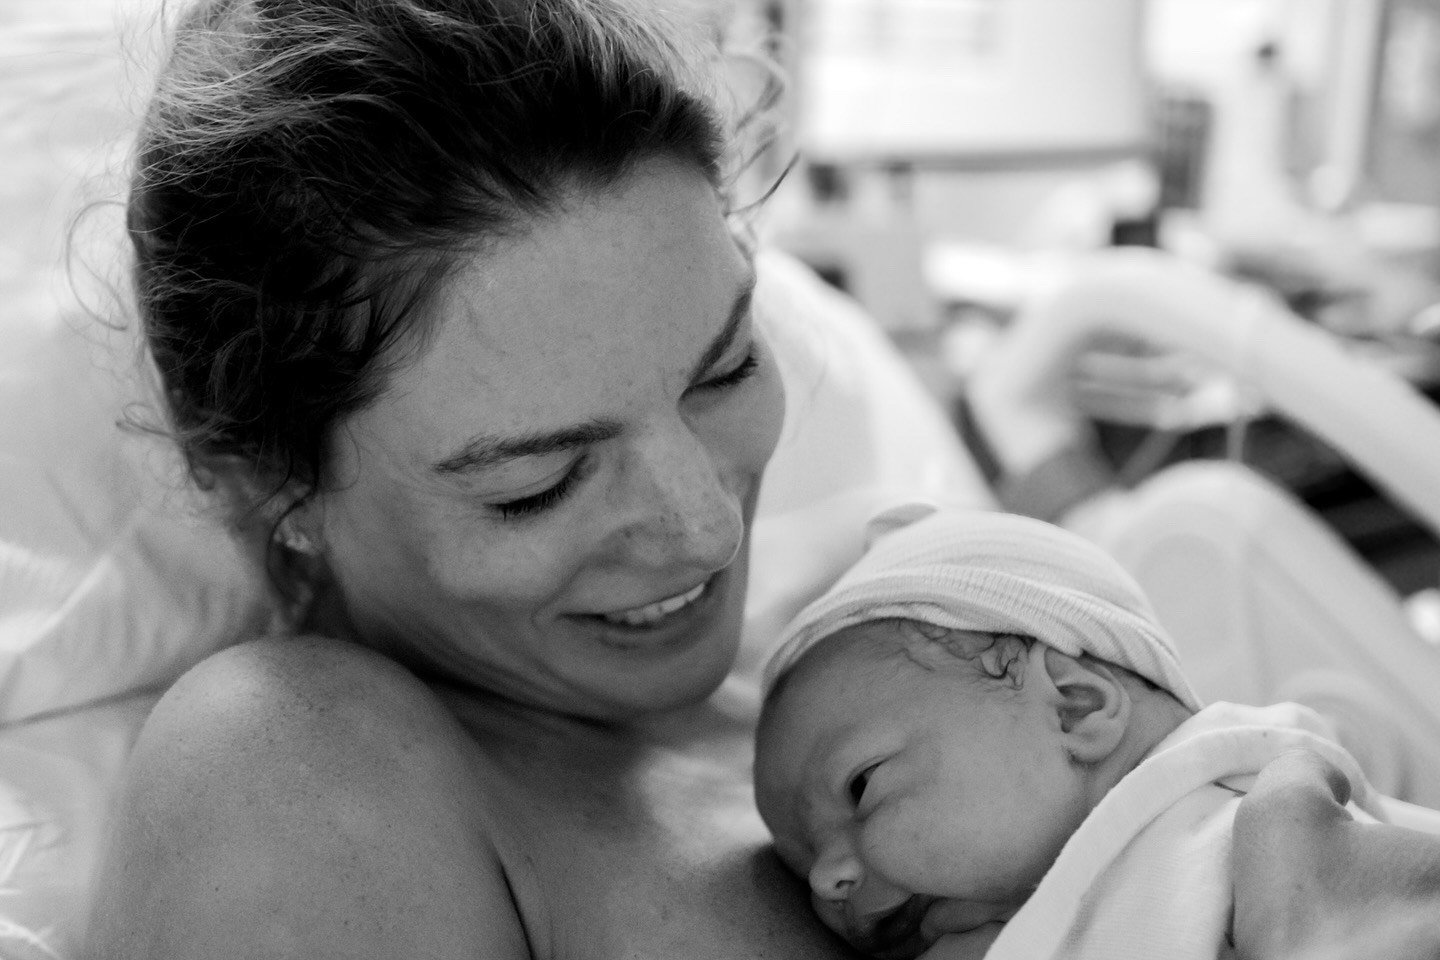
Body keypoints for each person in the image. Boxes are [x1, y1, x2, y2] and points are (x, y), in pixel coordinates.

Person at [76, 0, 1440, 957]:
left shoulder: (870, 640)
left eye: (724, 369)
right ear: (262, 477)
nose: (702, 520)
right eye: (535, 485)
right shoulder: (291, 767)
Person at [753, 506, 1438, 960]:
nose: (827, 877)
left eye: (860, 785)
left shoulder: (1264, 827)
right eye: (800, 858)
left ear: (1075, 707)